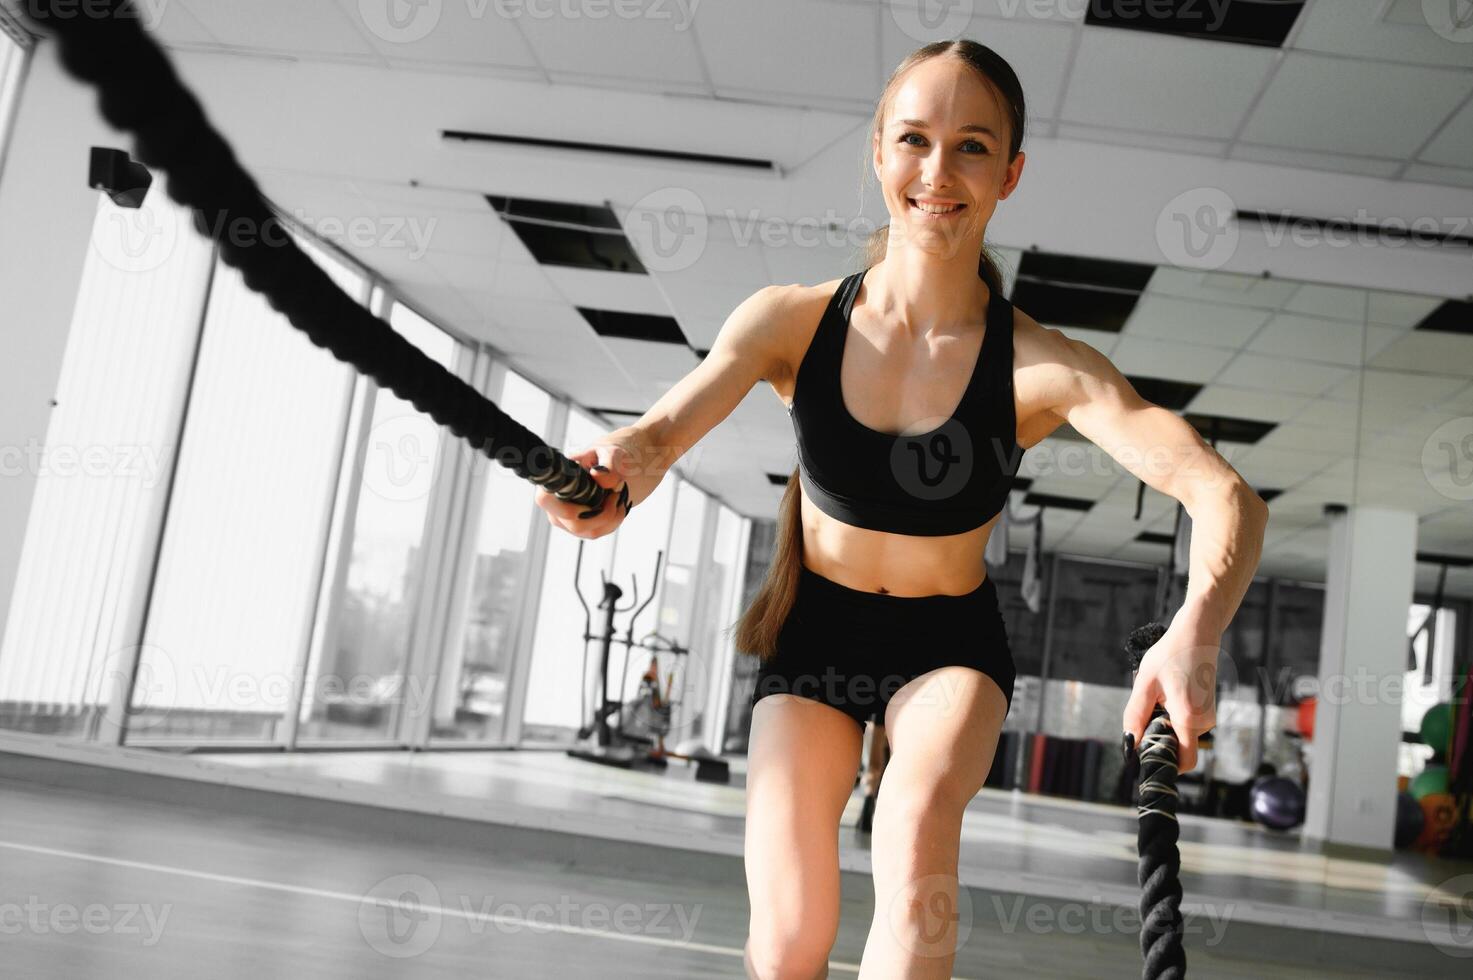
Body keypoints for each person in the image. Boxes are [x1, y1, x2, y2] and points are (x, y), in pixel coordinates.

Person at [536, 38, 1267, 980]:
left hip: (948, 647)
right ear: (878, 151)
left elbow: (1224, 495)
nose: (936, 172)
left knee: (915, 827)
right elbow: (659, 436)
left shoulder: (1044, 367)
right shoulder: (788, 322)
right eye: (913, 139)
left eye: (970, 146)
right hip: (811, 641)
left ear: (1009, 173)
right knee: (786, 937)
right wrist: (610, 477)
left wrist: (1193, 631)